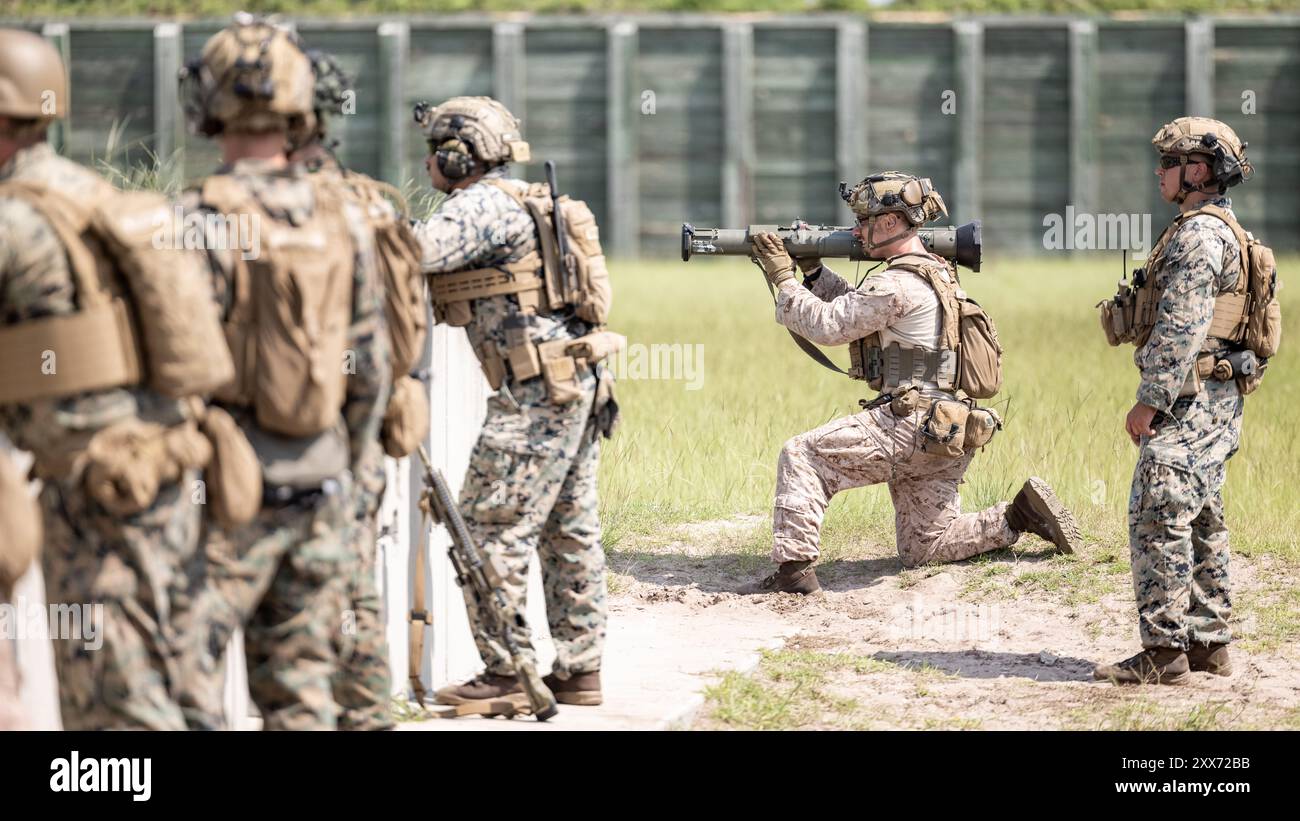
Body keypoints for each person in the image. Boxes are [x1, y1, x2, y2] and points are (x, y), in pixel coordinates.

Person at [173, 16, 391, 729]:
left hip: (222, 497)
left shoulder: (193, 221)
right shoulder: (344, 217)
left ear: (207, 106)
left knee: (184, 685)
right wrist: (343, 463)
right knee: (301, 696)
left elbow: (170, 379)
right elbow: (371, 372)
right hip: (322, 485)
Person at [750, 171, 1081, 595]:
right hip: (945, 432)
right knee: (925, 547)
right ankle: (1018, 516)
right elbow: (862, 310)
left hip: (905, 425)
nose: (856, 230)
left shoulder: (895, 282)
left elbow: (831, 325)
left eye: (865, 220)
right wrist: (814, 272)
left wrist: (784, 279)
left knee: (803, 455)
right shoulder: (934, 273)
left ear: (890, 224)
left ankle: (793, 574)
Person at [413, 96, 618, 710]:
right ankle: (580, 670)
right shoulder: (523, 199)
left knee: (489, 526)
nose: (430, 165)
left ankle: (506, 674)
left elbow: (409, 255)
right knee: (568, 529)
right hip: (575, 382)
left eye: (435, 152)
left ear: (458, 156)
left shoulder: (478, 205)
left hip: (536, 393)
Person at [1094, 117, 1262, 685]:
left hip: (1190, 397)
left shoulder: (1196, 236)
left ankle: (1164, 652)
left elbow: (1181, 326)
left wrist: (1150, 401)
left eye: (1169, 163)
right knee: (1203, 514)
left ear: (1197, 170)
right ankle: (1209, 643)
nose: (1159, 172)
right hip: (1215, 397)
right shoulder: (1219, 229)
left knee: (1158, 512)